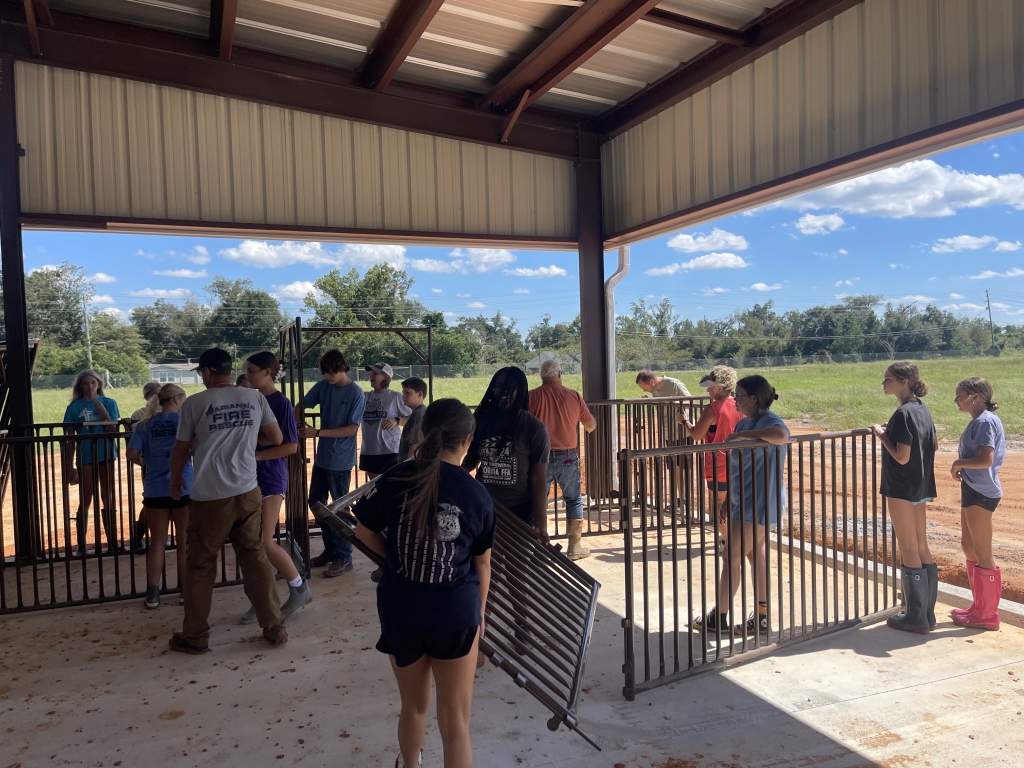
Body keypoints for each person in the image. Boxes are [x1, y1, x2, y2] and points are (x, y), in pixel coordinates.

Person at [354, 399, 493, 768]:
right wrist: (478, 617)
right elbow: (482, 563)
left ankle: (410, 765)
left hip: (402, 608)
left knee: (413, 708)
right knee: (456, 723)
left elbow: (363, 532)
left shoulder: (395, 477)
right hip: (456, 612)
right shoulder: (475, 493)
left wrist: (394, 559)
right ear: (466, 440)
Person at [167, 347, 288, 654]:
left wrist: (174, 480)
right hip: (248, 491)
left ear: (207, 372)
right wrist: (245, 442)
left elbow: (181, 449)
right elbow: (276, 438)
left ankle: (195, 636)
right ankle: (274, 627)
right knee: (255, 558)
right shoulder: (254, 398)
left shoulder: (195, 403)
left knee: (201, 565)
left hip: (210, 496)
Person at [693, 375, 789, 637]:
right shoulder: (746, 422)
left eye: (740, 395)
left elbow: (781, 435)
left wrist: (745, 435)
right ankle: (761, 616)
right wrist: (728, 502)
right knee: (752, 554)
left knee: (731, 555)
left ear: (754, 399)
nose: (736, 399)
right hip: (743, 501)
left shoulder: (767, 421)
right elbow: (739, 469)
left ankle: (720, 617)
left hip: (758, 503)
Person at [238, 351, 312, 624]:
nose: (248, 375)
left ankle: (298, 588)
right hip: (251, 478)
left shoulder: (280, 402)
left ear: (268, 373)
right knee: (252, 542)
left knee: (263, 541)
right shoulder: (251, 398)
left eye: (253, 370)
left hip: (270, 477)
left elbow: (291, 446)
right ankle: (263, 598)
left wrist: (255, 455)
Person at [870, 362, 937, 635]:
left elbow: (900, 455)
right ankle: (927, 614)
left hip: (900, 487)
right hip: (921, 485)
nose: (884, 383)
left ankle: (914, 616)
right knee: (921, 545)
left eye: (888, 379)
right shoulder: (921, 408)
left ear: (904, 381)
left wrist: (881, 434)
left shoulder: (902, 413)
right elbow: (931, 443)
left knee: (908, 547)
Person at [299, 349, 365, 579]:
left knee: (339, 509)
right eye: (325, 373)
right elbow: (301, 405)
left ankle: (344, 557)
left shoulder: (356, 393)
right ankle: (331, 550)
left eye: (332, 372)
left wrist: (315, 432)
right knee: (316, 504)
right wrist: (299, 421)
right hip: (323, 458)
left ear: (343, 368)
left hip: (341, 460)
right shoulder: (323, 387)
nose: (328, 377)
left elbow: (351, 429)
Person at [126, 384, 192, 609]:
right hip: (183, 486)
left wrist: (148, 463)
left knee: (157, 543)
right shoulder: (184, 423)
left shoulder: (145, 424)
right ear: (177, 399)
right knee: (184, 541)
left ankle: (153, 592)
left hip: (155, 488)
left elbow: (131, 453)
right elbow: (194, 449)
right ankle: (185, 589)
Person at [464, 367, 550, 540]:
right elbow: (470, 461)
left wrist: (541, 525)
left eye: (509, 387)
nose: (501, 392)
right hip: (487, 506)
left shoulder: (533, 428)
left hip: (521, 510)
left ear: (521, 391)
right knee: (488, 563)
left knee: (517, 564)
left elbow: (538, 479)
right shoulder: (482, 422)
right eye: (498, 386)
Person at [949, 377, 1005, 631]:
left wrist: (959, 464)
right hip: (974, 489)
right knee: (968, 545)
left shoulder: (984, 421)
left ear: (976, 397)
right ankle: (979, 606)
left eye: (960, 395)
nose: (956, 400)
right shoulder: (979, 420)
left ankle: (987, 615)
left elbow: (985, 459)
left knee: (982, 551)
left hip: (982, 492)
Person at [527, 359, 596, 559]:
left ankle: (538, 547)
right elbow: (590, 425)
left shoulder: (531, 397)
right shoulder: (573, 395)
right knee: (573, 499)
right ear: (559, 374)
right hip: (568, 457)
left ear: (542, 376)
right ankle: (575, 546)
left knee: (538, 501)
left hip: (540, 459)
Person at [62, 370, 122, 554]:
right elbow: (69, 438)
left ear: (99, 384)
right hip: (86, 457)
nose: (90, 387)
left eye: (93, 383)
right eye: (86, 383)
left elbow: (114, 430)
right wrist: (70, 466)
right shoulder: (74, 408)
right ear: (80, 386)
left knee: (108, 496)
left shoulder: (109, 403)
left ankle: (112, 541)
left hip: (107, 454)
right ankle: (82, 544)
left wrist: (104, 415)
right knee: (86, 498)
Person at [681, 366, 742, 544]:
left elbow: (697, 434)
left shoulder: (712, 408)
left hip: (719, 464)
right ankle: (738, 539)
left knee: (719, 504)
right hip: (741, 461)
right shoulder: (740, 404)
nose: (708, 390)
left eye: (710, 387)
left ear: (719, 388)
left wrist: (685, 421)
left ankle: (728, 542)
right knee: (737, 503)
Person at [360, 363, 412, 478]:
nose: (371, 376)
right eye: (371, 373)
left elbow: (412, 419)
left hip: (390, 450)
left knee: (392, 487)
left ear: (386, 377)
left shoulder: (395, 396)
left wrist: (397, 420)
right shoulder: (364, 397)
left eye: (375, 373)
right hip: (370, 450)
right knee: (375, 488)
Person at [398, 376, 428, 462]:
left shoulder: (418, 415)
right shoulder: (418, 413)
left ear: (420, 394)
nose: (403, 396)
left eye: (408, 393)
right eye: (403, 393)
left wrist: (407, 468)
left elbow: (415, 446)